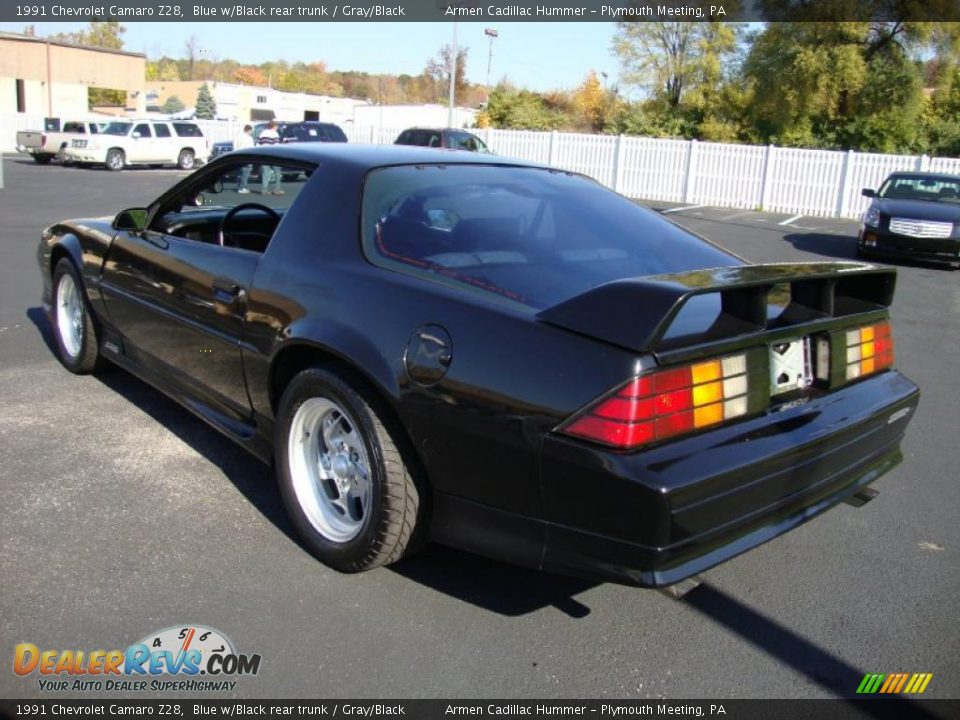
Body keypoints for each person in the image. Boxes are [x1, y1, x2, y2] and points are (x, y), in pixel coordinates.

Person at [257, 120, 284, 195]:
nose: (277, 128)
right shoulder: (275, 133)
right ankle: (277, 189)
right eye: (277, 127)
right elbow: (276, 146)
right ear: (274, 126)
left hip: (264, 155)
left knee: (266, 173)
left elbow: (258, 145)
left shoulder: (262, 133)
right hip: (273, 155)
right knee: (277, 172)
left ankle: (264, 190)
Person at [234, 124, 254, 194]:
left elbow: (234, 147)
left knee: (239, 172)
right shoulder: (249, 138)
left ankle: (239, 186)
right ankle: (242, 188)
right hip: (246, 157)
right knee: (245, 173)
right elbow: (251, 149)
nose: (251, 132)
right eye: (251, 131)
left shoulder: (238, 137)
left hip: (238, 156)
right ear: (249, 130)